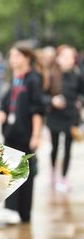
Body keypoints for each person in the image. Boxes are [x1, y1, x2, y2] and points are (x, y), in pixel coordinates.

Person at [0, 44, 45, 223]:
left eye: (17, 56)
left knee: (25, 172)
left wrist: (36, 135)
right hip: (11, 133)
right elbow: (6, 102)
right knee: (9, 171)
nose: (12, 59)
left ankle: (24, 213)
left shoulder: (33, 78)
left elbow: (37, 109)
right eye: (11, 56)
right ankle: (11, 210)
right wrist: (1, 111)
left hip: (25, 134)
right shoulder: (15, 78)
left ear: (27, 57)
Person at [43, 45, 84, 191]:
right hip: (54, 116)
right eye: (65, 56)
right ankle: (53, 173)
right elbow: (42, 96)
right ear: (58, 59)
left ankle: (64, 178)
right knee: (54, 147)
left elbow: (82, 93)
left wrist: (80, 102)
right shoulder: (51, 75)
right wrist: (52, 100)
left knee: (68, 148)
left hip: (71, 117)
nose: (69, 60)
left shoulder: (78, 75)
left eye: (71, 57)